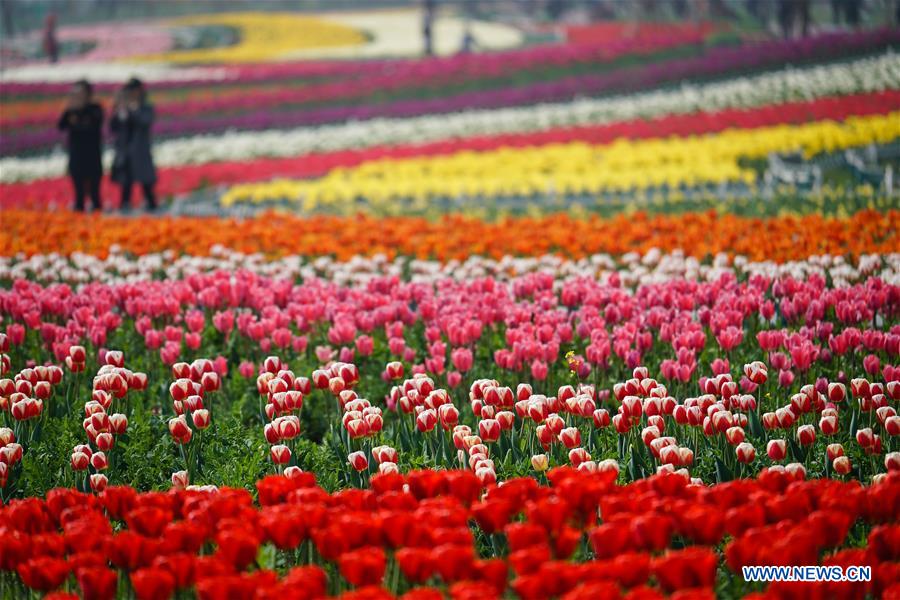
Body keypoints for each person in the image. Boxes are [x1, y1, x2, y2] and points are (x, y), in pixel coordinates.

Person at [110, 78, 157, 212]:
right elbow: (113, 127)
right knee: (126, 186)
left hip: (140, 152)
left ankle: (151, 207)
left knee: (147, 185)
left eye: (133, 90)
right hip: (125, 153)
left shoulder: (145, 107)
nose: (131, 94)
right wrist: (119, 109)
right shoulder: (123, 108)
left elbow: (145, 122)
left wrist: (133, 110)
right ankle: (125, 208)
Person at [57, 80, 104, 212]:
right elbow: (61, 125)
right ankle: (79, 217)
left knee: (94, 193)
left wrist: (78, 116)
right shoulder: (71, 110)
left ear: (88, 94)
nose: (77, 97)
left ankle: (97, 218)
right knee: (79, 194)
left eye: (80, 93)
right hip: (76, 156)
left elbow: (93, 126)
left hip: (92, 156)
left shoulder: (95, 109)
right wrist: (70, 109)